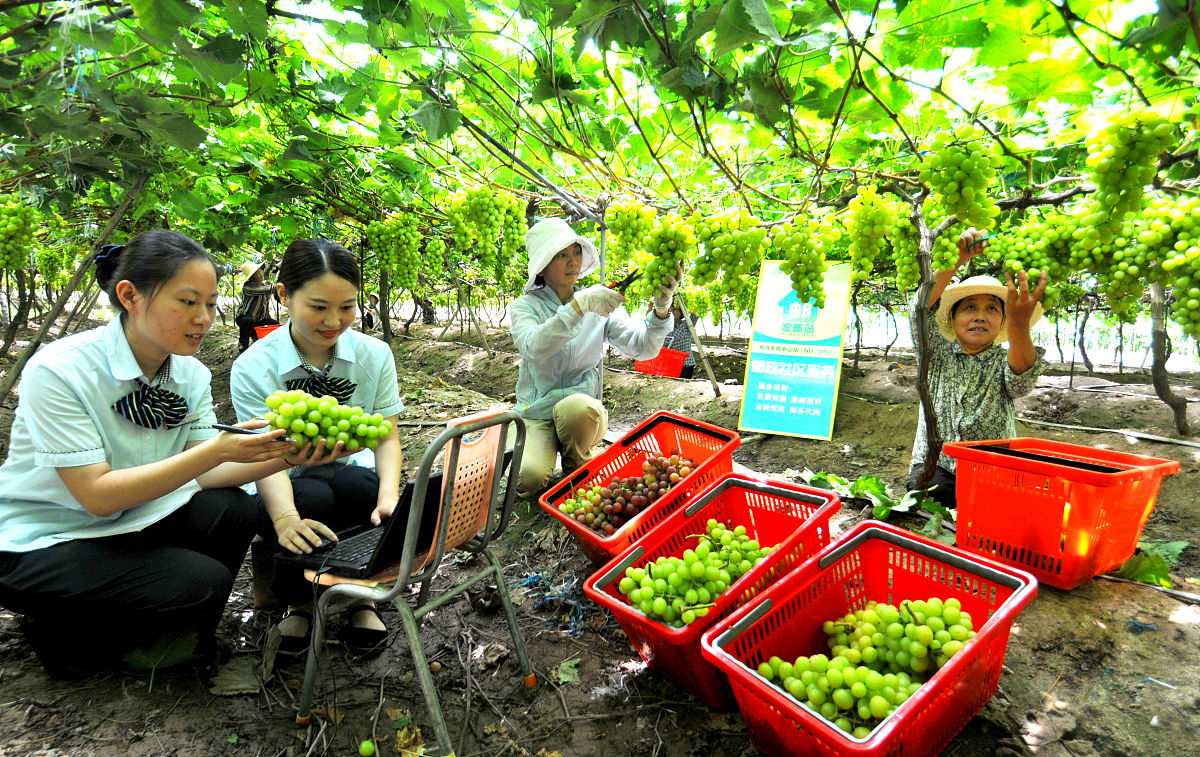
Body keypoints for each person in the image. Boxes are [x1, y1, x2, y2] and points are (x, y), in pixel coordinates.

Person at [0, 230, 324, 679]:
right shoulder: (60, 370)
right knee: (198, 582)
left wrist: (290, 455)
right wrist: (215, 452)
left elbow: (207, 473)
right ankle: (62, 631)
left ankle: (180, 637)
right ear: (130, 296)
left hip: (130, 519)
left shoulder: (189, 374)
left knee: (233, 509)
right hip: (45, 539)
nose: (204, 318)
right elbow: (97, 496)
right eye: (188, 302)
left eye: (211, 303)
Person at [231, 239, 404, 655]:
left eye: (346, 307)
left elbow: (386, 435)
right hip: (281, 474)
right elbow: (266, 455)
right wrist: (286, 518)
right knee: (310, 498)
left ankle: (361, 596)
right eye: (319, 306)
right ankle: (302, 604)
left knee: (364, 490)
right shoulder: (253, 367)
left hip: (349, 468)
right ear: (283, 296)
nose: (333, 321)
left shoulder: (374, 355)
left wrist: (389, 496)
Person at [510, 217, 681, 498]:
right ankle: (534, 446)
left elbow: (642, 347)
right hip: (535, 413)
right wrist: (578, 307)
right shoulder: (525, 307)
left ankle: (575, 464)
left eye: (576, 252)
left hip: (579, 414)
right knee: (528, 478)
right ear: (542, 266)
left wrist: (661, 311)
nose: (573, 262)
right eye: (561, 255)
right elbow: (532, 347)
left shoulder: (597, 301)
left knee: (578, 407)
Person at [906, 228, 1047, 509]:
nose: (980, 316)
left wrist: (1020, 325)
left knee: (996, 515)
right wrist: (954, 260)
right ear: (952, 317)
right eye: (970, 307)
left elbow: (1022, 381)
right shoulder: (935, 353)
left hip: (994, 468)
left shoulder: (1003, 361)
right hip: (937, 466)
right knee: (930, 501)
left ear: (1003, 321)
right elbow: (919, 310)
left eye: (992, 309)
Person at [234, 259, 278, 352]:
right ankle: (243, 346)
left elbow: (269, 288)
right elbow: (272, 289)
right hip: (244, 317)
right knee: (247, 321)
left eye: (260, 271)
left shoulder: (263, 284)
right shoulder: (248, 287)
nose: (261, 274)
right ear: (252, 277)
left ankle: (256, 338)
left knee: (274, 324)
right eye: (257, 273)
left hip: (258, 320)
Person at [663, 303, 700, 379]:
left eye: (675, 309)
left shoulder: (686, 324)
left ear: (680, 312)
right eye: (670, 310)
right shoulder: (663, 328)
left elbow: (694, 313)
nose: (672, 312)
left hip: (686, 365)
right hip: (670, 365)